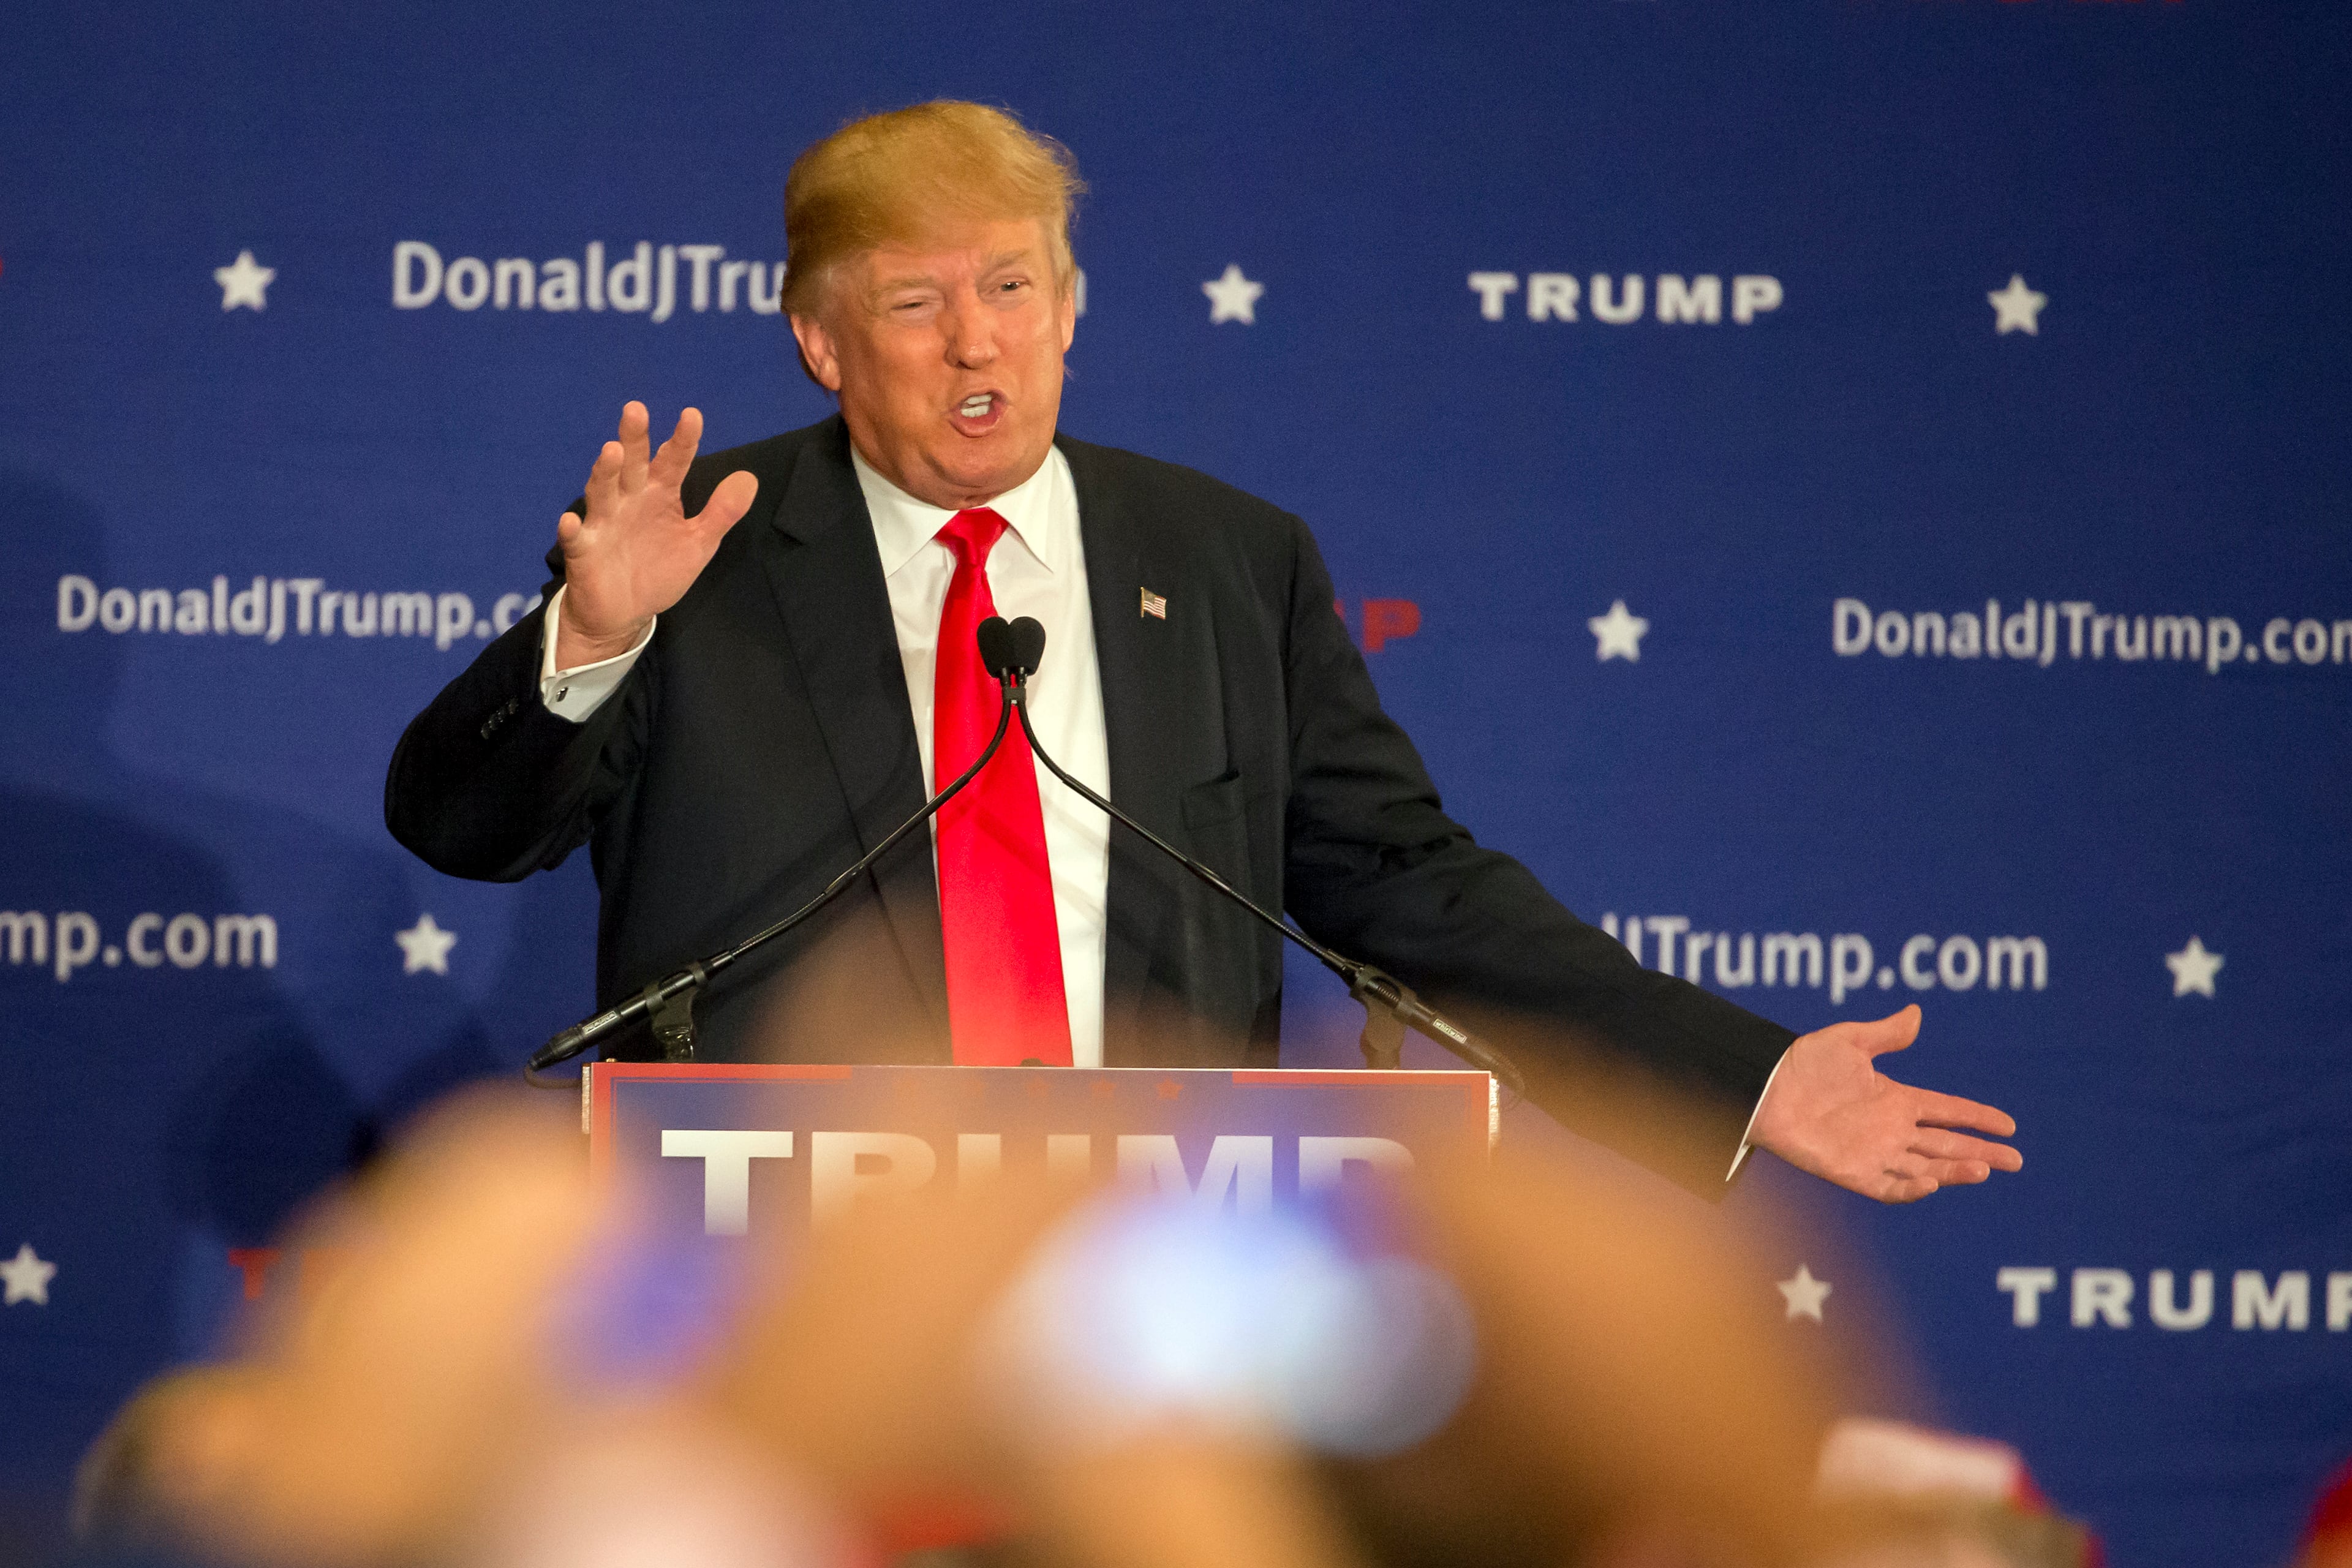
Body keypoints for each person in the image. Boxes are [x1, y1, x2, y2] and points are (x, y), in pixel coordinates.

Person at [385, 100, 2018, 1202]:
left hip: (1155, 1259)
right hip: (795, 1265)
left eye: (1013, 285)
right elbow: (461, 828)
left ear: (1074, 304)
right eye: (914, 302)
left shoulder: (1228, 560)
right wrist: (592, 636)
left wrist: (1737, 1078)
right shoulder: (706, 547)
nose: (978, 341)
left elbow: (1406, 889)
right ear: (818, 337)